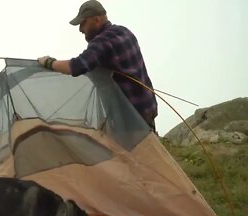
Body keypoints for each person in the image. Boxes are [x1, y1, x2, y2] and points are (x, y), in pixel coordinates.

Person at [38, 0, 158, 132]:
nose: (80, 29)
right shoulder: (124, 31)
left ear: (96, 20)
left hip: (131, 118)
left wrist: (49, 62)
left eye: (83, 23)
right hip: (147, 108)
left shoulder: (103, 41)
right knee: (149, 148)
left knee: (134, 152)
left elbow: (76, 66)